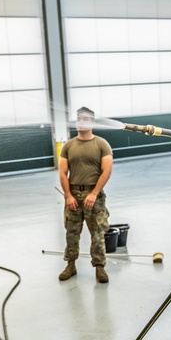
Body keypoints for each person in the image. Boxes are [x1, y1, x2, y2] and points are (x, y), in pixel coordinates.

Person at [59, 107, 113, 283]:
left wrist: (94, 194)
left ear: (92, 122)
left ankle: (99, 267)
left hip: (94, 195)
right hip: (73, 193)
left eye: (84, 119)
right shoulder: (68, 145)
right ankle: (70, 265)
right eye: (78, 119)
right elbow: (62, 172)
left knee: (97, 233)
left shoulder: (101, 144)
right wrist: (68, 196)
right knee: (71, 233)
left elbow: (106, 171)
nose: (80, 122)